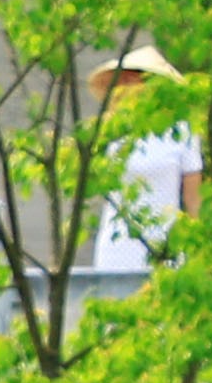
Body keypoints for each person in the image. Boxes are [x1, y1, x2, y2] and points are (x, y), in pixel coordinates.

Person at [84, 40, 201, 273]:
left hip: (163, 239)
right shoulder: (110, 131)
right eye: (124, 79)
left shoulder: (181, 131)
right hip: (117, 241)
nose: (128, 85)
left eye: (136, 78)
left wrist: (196, 244)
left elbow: (193, 197)